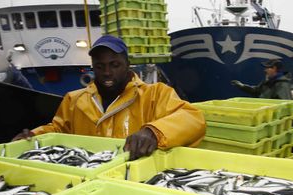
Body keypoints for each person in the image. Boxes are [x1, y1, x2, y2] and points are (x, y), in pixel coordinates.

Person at [13, 35, 206, 160]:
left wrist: (153, 132)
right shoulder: (74, 99)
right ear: (93, 67)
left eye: (114, 65)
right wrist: (34, 137)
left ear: (127, 64)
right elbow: (58, 129)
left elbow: (192, 118)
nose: (107, 72)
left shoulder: (155, 94)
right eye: (100, 66)